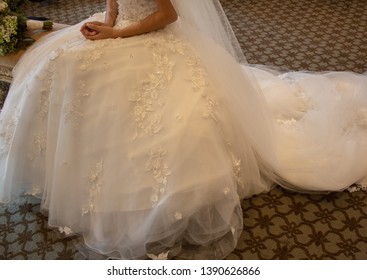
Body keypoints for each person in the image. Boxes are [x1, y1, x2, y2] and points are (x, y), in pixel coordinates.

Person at [0, 0, 366, 260]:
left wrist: (118, 35)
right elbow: (113, 5)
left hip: (151, 34)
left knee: (163, 105)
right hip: (120, 29)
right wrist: (105, 24)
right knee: (62, 62)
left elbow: (166, 15)